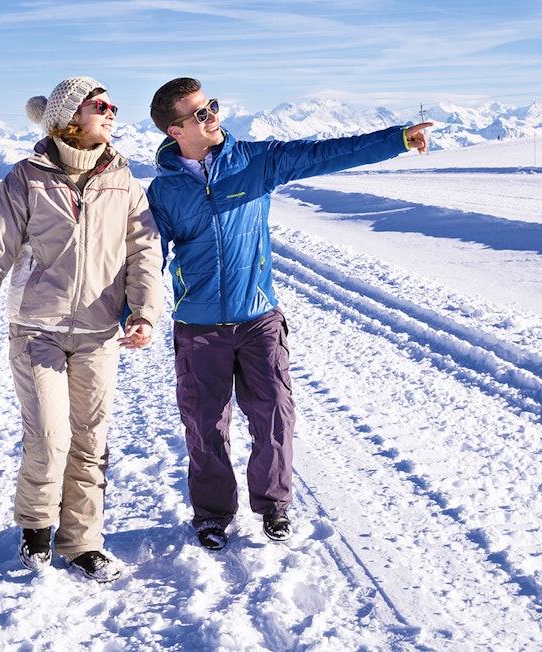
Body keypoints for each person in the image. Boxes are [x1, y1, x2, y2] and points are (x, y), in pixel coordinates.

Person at [146, 77, 431, 551]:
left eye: (211, 105)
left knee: (275, 413)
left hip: (258, 317)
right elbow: (145, 256)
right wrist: (135, 312)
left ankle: (274, 506)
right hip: (198, 326)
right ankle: (213, 514)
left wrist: (397, 139)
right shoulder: (164, 192)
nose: (212, 115)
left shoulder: (256, 161)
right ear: (175, 131)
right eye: (199, 113)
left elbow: (325, 154)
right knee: (205, 424)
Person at [0, 76, 164, 582]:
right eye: (99, 104)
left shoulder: (124, 180)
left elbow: (144, 252)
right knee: (49, 436)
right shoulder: (27, 178)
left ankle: (83, 542)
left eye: (112, 105)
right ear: (70, 116)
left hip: (98, 331)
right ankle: (35, 528)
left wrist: (144, 312)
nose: (111, 111)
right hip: (36, 328)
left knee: (90, 440)